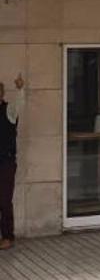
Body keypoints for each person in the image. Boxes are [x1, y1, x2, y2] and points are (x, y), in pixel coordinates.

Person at [0, 74, 25, 251]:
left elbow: (19, 105)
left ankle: (8, 236)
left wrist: (20, 89)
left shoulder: (8, 111)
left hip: (6, 162)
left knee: (4, 200)